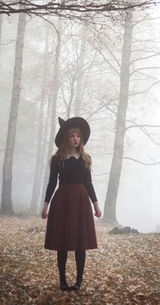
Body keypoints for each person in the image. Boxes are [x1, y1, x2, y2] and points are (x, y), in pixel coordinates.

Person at [41, 117, 101, 292]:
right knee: (63, 242)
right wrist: (45, 205)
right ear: (66, 138)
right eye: (72, 136)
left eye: (78, 136)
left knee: (80, 242)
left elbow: (89, 183)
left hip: (81, 201)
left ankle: (78, 282)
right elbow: (52, 183)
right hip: (62, 201)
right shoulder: (57, 159)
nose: (75, 138)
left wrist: (96, 204)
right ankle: (62, 281)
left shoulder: (85, 159)